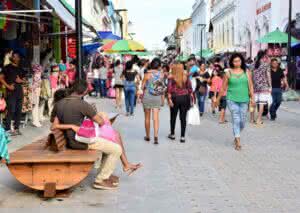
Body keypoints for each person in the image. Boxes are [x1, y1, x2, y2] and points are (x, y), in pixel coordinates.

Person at [50, 80, 121, 190]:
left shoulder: (59, 104)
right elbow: (101, 122)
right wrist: (95, 114)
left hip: (68, 140)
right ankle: (100, 180)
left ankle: (104, 174)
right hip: (80, 141)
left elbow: (54, 125)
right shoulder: (82, 104)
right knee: (116, 149)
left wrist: (70, 126)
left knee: (108, 146)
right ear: (84, 92)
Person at [215, 53, 255, 151]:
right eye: (235, 61)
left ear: (242, 61)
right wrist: (218, 99)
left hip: (244, 99)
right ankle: (238, 141)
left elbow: (250, 86)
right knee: (236, 119)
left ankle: (236, 134)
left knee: (242, 122)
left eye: (239, 61)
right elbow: (223, 87)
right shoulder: (228, 73)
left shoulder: (247, 72)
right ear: (232, 62)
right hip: (232, 99)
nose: (237, 63)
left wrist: (252, 98)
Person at [0, 52, 26, 136]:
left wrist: (21, 81)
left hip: (19, 92)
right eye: (14, 57)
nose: (16, 58)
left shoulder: (20, 68)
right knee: (11, 110)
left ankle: (16, 128)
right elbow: (1, 78)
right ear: (12, 58)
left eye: (17, 57)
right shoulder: (7, 67)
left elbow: (24, 80)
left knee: (18, 111)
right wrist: (8, 86)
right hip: (10, 92)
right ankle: (7, 129)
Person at [141, 58, 165, 144]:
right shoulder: (161, 75)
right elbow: (162, 89)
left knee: (147, 118)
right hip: (157, 97)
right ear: (159, 66)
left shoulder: (147, 74)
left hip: (147, 96)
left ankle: (147, 136)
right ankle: (155, 136)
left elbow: (142, 87)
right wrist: (163, 100)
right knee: (156, 118)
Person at [167, 64, 193, 143]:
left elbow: (169, 89)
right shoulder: (185, 77)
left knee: (173, 117)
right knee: (183, 118)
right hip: (185, 98)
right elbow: (190, 89)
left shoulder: (172, 78)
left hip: (175, 98)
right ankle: (182, 136)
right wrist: (191, 98)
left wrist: (169, 99)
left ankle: (172, 134)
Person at [252, 50, 272, 125]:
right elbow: (268, 76)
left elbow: (251, 76)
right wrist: (270, 86)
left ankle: (252, 118)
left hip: (255, 86)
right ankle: (259, 119)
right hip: (263, 86)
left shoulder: (253, 64)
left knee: (255, 103)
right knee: (261, 103)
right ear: (264, 56)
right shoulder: (265, 65)